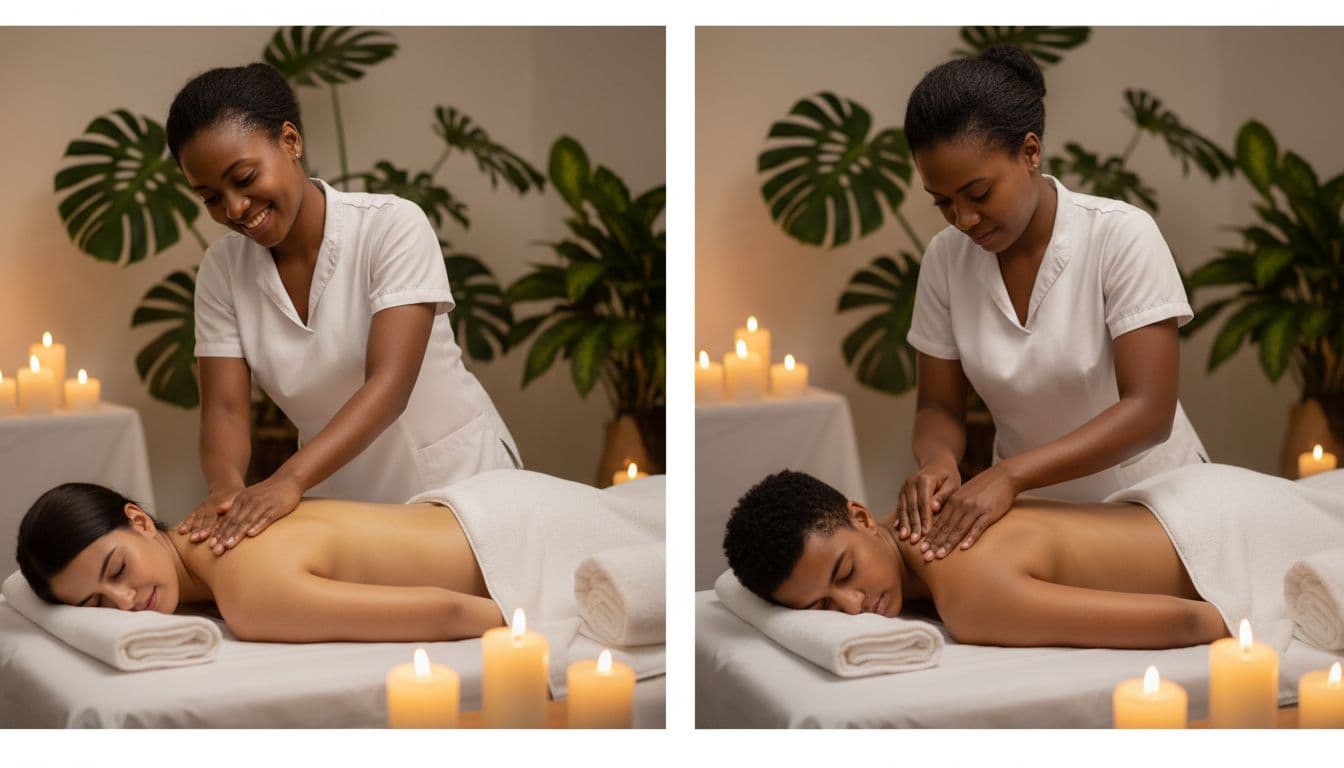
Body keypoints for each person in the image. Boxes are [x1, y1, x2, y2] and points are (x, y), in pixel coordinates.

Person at [166, 63, 519, 557]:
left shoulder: (391, 227)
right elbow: (225, 409)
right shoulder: (223, 271)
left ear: (290, 141)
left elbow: (389, 385)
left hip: (461, 487)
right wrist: (224, 489)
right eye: (210, 197)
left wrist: (287, 479)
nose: (235, 208)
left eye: (244, 178)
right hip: (342, 501)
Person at [897, 44, 1207, 562]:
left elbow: (1149, 412)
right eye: (943, 202)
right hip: (1030, 513)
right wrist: (938, 461)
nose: (963, 219)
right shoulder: (946, 259)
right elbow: (938, 406)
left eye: (978, 193)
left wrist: (1010, 474)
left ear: (1031, 151)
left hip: (1155, 506)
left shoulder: (1120, 236)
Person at [723, 469, 1232, 650]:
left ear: (860, 516)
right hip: (1189, 500)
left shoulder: (970, 596)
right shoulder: (906, 519)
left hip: (1223, 536)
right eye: (820, 608)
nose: (853, 607)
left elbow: (1188, 620)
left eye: (846, 573)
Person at [16, 482, 504, 642]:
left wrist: (558, 626)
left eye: (118, 571)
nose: (124, 603)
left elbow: (447, 612)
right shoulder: (218, 519)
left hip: (513, 543)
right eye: (97, 604)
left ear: (139, 521)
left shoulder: (247, 595)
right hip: (485, 505)